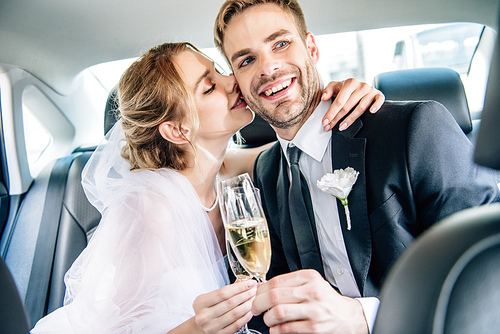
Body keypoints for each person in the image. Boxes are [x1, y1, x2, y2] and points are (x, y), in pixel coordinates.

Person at [29, 41, 384, 333]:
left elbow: (297, 142)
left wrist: (336, 96)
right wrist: (197, 329)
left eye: (219, 71)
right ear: (177, 130)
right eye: (210, 86)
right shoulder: (151, 211)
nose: (233, 81)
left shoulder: (226, 168)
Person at [214, 1, 500, 333]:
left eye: (281, 43)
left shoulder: (413, 129)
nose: (268, 68)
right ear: (237, 81)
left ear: (311, 48)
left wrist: (362, 317)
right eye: (247, 60)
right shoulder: (267, 170)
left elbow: (487, 273)